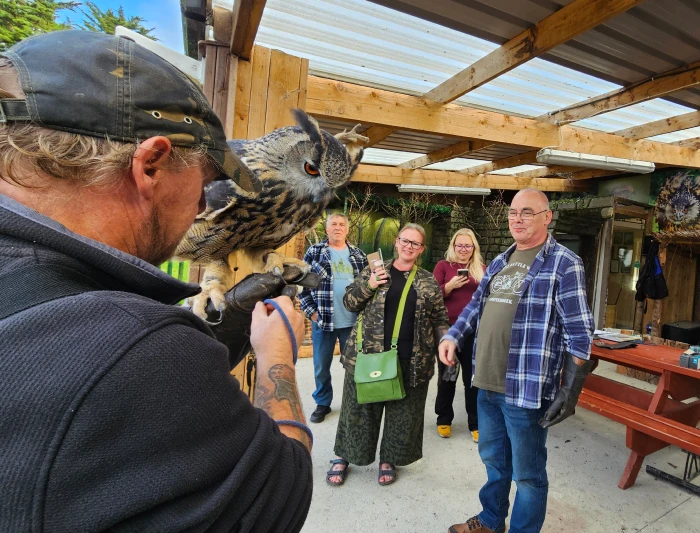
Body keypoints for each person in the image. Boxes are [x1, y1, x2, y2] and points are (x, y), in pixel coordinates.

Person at [0, 31, 312, 532]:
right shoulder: (132, 345)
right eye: (207, 182)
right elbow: (279, 495)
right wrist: (278, 355)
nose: (201, 205)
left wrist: (219, 327)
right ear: (151, 164)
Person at [439, 189, 594, 533]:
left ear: (546, 217)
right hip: (486, 383)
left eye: (527, 212)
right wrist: (452, 336)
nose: (517, 219)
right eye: (513, 212)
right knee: (494, 463)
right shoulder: (499, 261)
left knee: (528, 475)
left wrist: (570, 391)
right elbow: (475, 308)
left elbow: (580, 333)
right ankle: (492, 520)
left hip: (525, 388)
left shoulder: (564, 263)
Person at [326, 223, 449, 486]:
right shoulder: (375, 270)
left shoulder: (427, 281)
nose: (409, 246)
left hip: (412, 359)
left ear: (421, 249)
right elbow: (349, 303)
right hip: (368, 356)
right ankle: (343, 455)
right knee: (358, 410)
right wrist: (369, 284)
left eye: (415, 243)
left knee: (402, 413)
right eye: (405, 241)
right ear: (396, 242)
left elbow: (440, 318)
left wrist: (445, 344)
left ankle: (389, 459)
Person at [300, 213, 368, 423]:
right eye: (333, 224)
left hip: (353, 321)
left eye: (342, 224)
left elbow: (368, 287)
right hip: (323, 321)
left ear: (347, 229)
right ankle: (322, 403)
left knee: (355, 365)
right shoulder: (315, 252)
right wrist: (311, 312)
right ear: (326, 229)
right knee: (321, 366)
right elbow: (302, 285)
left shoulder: (359, 255)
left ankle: (354, 403)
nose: (338, 227)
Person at [433, 228, 485, 442]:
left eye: (468, 245)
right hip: (448, 329)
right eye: (459, 245)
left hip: (474, 330)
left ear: (474, 248)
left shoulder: (481, 268)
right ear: (453, 246)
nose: (463, 249)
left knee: (472, 378)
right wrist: (448, 287)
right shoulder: (443, 266)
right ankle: (444, 419)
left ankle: (475, 423)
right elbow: (432, 296)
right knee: (448, 376)